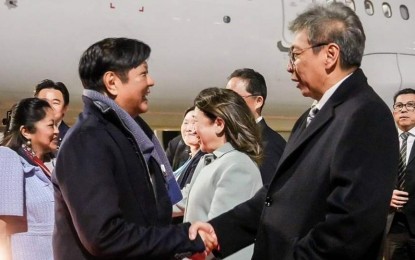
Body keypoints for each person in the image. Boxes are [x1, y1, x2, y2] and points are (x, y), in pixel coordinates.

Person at [189, 3, 399, 259]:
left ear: (330, 55)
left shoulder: (366, 116)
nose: (290, 67)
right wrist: (217, 232)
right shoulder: (310, 117)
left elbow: (350, 228)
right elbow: (275, 196)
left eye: (296, 55)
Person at [52, 37, 210, 260]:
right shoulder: (88, 141)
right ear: (112, 82)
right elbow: (104, 236)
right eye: (143, 74)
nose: (151, 81)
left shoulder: (128, 134)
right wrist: (184, 238)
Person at [181, 87, 263, 260]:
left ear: (218, 124)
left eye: (196, 121)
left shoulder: (236, 166)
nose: (192, 129)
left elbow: (219, 236)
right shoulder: (209, 161)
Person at [0, 97, 59, 260]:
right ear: (26, 131)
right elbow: (1, 230)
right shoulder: (8, 159)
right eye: (50, 125)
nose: (57, 131)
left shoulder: (56, 161)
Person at [226, 68, 286, 184]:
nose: (228, 104)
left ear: (258, 101)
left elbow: (267, 193)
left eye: (235, 98)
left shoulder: (269, 144)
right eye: (226, 98)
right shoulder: (232, 137)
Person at [384, 88, 415, 259]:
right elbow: (370, 180)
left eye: (410, 105)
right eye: (399, 105)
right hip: (392, 223)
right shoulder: (381, 142)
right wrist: (385, 195)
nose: (403, 109)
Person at [174, 106, 205, 189]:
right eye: (186, 123)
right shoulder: (184, 155)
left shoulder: (206, 160)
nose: (188, 128)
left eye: (194, 122)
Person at [34, 79, 70, 145]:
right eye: (44, 102)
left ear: (65, 108)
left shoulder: (72, 138)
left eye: (55, 103)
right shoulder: (25, 132)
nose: (49, 106)